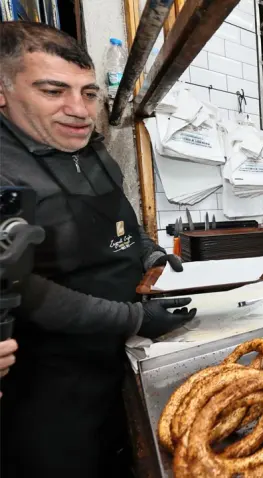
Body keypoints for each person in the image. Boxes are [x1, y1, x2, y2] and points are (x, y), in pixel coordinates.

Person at [0, 22, 197, 478]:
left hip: (119, 359)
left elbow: (123, 221)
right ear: (4, 92)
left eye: (89, 93)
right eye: (53, 91)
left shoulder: (89, 148)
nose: (79, 110)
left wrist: (149, 255)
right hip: (53, 387)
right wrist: (136, 317)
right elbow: (26, 291)